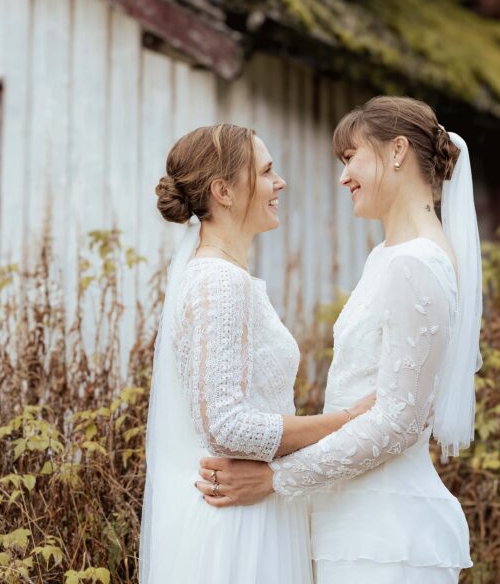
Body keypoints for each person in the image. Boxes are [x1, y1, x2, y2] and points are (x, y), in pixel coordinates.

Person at [196, 97, 481, 584]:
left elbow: (399, 421)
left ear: (396, 152)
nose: (343, 176)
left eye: (351, 158)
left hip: (386, 536)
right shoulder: (387, 257)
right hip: (350, 523)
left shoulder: (417, 262)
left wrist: (275, 478)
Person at [140, 123, 375, 584]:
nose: (279, 182)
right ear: (223, 190)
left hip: (255, 509)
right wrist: (347, 421)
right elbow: (226, 426)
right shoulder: (219, 282)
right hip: (237, 529)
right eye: (267, 172)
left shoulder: (221, 275)